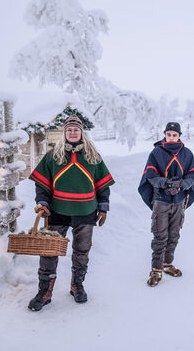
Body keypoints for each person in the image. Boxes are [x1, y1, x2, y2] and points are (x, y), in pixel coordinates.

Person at [27, 115, 115, 311]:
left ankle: (77, 285)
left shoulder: (93, 156)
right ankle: (45, 291)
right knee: (49, 251)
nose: (72, 133)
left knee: (82, 251)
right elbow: (42, 184)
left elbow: (103, 186)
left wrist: (103, 207)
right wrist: (42, 202)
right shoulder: (53, 156)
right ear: (64, 133)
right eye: (69, 130)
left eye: (76, 130)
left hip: (86, 211)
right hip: (57, 211)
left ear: (81, 133)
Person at [138, 122, 194, 287]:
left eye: (174, 134)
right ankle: (156, 270)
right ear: (165, 134)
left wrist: (181, 185)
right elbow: (150, 175)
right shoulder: (156, 153)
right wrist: (166, 183)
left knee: (174, 235)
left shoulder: (186, 154)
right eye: (169, 134)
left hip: (179, 202)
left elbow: (193, 175)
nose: (171, 137)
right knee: (160, 236)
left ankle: (167, 264)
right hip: (161, 201)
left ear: (179, 136)